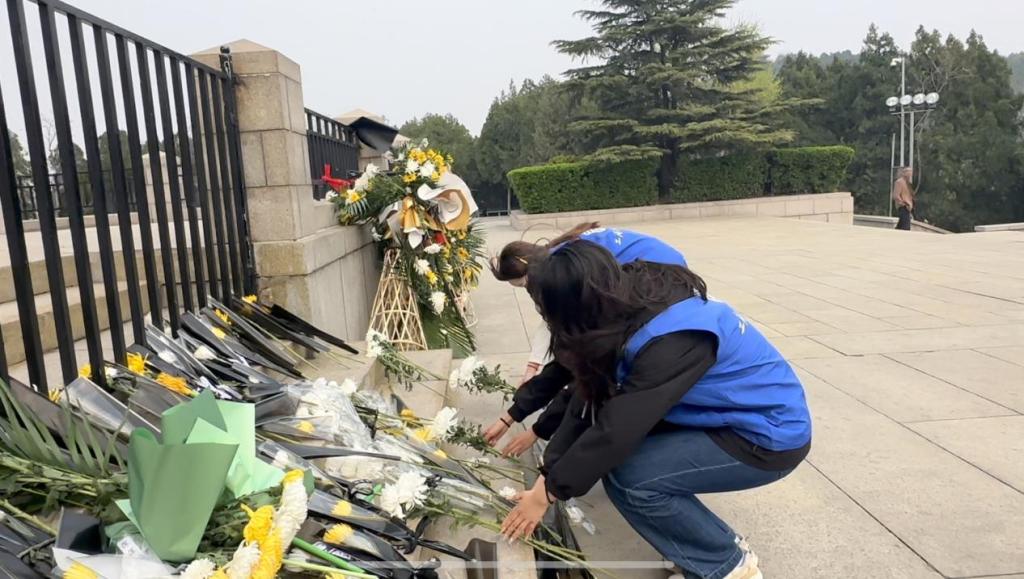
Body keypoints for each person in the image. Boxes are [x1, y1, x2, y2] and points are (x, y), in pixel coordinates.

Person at [500, 241, 812, 579]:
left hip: (767, 434)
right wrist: (548, 478)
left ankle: (728, 566)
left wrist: (548, 493)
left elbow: (617, 426)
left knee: (633, 479)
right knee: (621, 465)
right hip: (725, 413)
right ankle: (712, 548)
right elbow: (589, 397)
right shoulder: (625, 295)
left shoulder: (672, 339)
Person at [484, 222, 688, 457]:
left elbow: (585, 374)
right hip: (649, 274)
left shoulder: (571, 276)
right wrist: (513, 415)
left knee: (609, 374)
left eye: (524, 285)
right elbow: (566, 358)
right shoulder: (558, 262)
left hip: (664, 281)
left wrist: (539, 433)